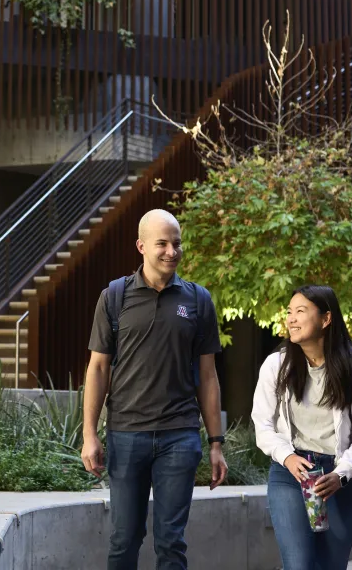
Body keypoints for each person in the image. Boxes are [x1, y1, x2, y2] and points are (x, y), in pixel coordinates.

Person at [80, 208, 228, 570]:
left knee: (171, 542)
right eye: (162, 243)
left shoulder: (197, 300)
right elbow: (98, 368)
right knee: (124, 539)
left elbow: (208, 376)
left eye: (176, 243)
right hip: (126, 434)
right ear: (141, 246)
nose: (171, 251)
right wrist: (89, 434)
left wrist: (215, 443)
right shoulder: (114, 297)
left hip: (180, 436)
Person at [252, 285, 352, 570]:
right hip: (291, 473)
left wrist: (342, 475)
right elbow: (262, 423)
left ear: (325, 319)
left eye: (301, 311)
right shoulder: (277, 365)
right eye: (289, 312)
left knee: (330, 566)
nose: (291, 319)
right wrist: (286, 456)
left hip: (337, 478)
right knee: (298, 565)